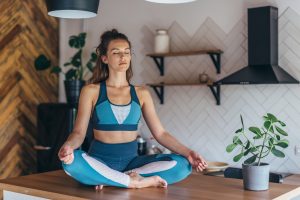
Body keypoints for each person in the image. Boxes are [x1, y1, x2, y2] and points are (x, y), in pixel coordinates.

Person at [58, 29, 207, 190]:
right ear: (105, 58)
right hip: (99, 161)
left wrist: (189, 153)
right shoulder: (91, 91)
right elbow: (78, 133)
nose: (123, 57)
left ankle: (111, 178)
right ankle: (134, 181)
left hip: (132, 163)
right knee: (71, 163)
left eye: (127, 52)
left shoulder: (141, 93)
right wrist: (68, 147)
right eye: (116, 52)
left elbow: (160, 134)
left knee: (183, 165)